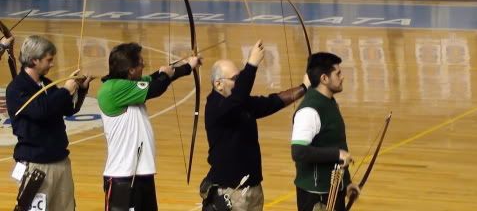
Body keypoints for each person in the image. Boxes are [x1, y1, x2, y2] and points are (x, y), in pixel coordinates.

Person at [201, 39, 310, 211]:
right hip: (231, 193)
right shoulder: (216, 107)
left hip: (253, 189)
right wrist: (251, 64)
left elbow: (271, 103)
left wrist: (304, 88)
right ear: (218, 84)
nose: (239, 82)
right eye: (235, 78)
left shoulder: (239, 103)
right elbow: (237, 98)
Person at [98, 42, 202, 211]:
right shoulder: (112, 89)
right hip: (122, 177)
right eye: (140, 63)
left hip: (141, 174)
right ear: (130, 69)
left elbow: (154, 78)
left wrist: (188, 66)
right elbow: (157, 87)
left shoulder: (129, 84)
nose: (144, 65)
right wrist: (165, 76)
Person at [6, 35, 94, 211]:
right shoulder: (16, 88)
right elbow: (40, 111)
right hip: (36, 165)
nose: (52, 64)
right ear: (34, 60)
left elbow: (69, 109)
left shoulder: (47, 84)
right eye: (49, 60)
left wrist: (80, 88)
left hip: (60, 161)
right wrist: (65, 90)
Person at [291, 52, 361, 211]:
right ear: (324, 78)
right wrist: (336, 154)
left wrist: (347, 182)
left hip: (334, 188)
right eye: (338, 73)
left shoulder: (329, 102)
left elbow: (337, 143)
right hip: (317, 196)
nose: (342, 77)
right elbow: (298, 152)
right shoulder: (309, 111)